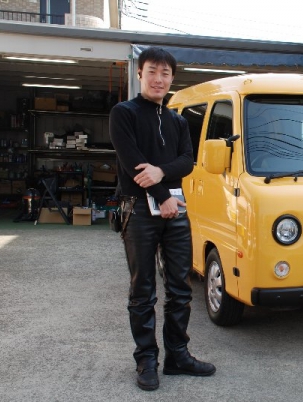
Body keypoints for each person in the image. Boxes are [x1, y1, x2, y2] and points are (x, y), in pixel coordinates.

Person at [109, 46, 215, 392]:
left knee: (180, 286)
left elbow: (187, 161)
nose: (159, 79)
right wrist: (162, 196)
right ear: (140, 74)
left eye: (165, 73)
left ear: (172, 78)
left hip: (177, 211)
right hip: (139, 211)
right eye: (152, 71)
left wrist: (162, 173)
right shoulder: (123, 113)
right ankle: (146, 359)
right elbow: (132, 164)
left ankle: (178, 355)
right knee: (142, 290)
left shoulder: (179, 121)